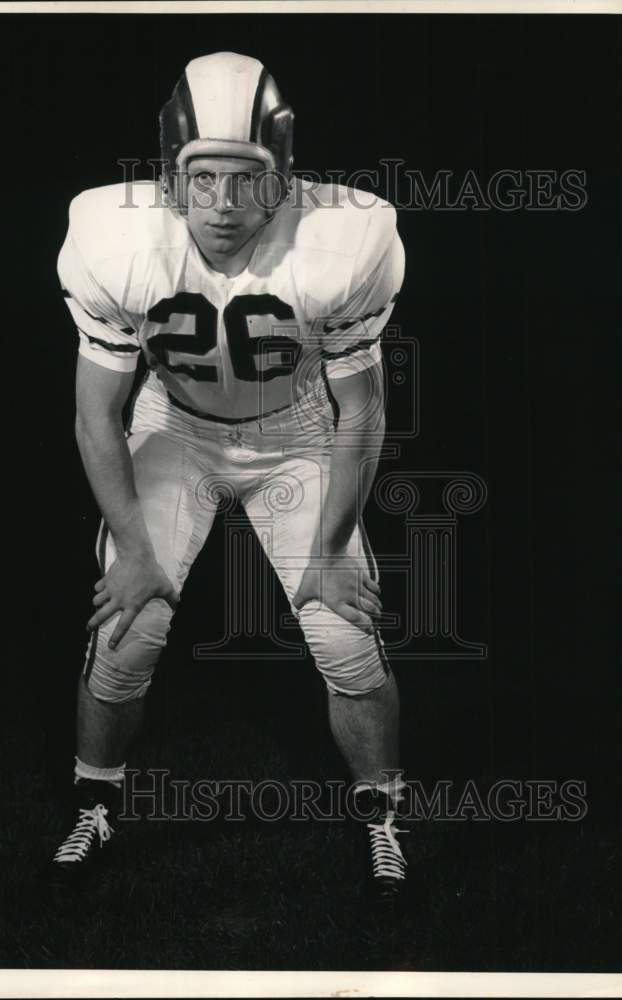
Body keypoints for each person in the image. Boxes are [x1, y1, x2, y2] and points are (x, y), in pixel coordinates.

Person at [50, 51, 408, 904]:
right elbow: (95, 413)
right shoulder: (115, 238)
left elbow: (362, 411)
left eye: (245, 179)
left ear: (282, 178)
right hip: (174, 426)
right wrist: (135, 552)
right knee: (129, 625)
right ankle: (95, 799)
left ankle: (385, 817)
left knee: (343, 634)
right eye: (202, 177)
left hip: (298, 434)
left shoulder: (345, 239)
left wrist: (326, 550)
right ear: (171, 178)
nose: (222, 203)